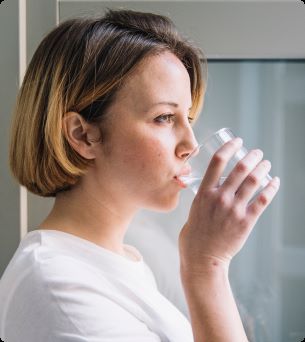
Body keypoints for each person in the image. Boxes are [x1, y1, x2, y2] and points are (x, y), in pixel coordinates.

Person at [0, 9, 280, 342]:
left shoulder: (124, 260)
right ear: (83, 135)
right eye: (163, 118)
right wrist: (208, 267)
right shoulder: (59, 286)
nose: (190, 144)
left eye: (188, 117)